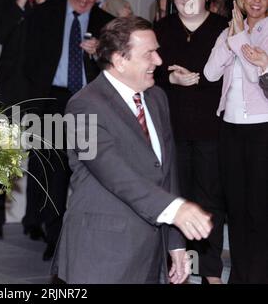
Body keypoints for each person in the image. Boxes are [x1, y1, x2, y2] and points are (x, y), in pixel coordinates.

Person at [51, 16, 213, 284]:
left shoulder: (157, 97)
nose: (159, 60)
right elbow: (113, 172)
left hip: (149, 254)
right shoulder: (82, 106)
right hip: (100, 253)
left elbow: (167, 172)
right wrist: (177, 211)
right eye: (149, 53)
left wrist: (176, 243)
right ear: (119, 60)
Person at [23, 0, 113, 261]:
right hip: (52, 98)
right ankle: (55, 236)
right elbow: (29, 58)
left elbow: (117, 66)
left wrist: (100, 53)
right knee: (52, 169)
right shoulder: (45, 14)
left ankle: (87, 234)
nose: (84, 1)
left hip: (89, 102)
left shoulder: (106, 22)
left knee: (87, 169)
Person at [154, 0, 228, 284]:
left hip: (212, 129)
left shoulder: (222, 28)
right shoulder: (162, 28)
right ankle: (176, 266)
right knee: (174, 198)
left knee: (211, 200)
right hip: (172, 128)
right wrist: (170, 78)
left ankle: (210, 271)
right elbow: (148, 70)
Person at [0, 0, 67, 240]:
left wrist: (41, 7)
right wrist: (20, 3)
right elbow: (0, 34)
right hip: (9, 85)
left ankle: (35, 219)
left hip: (45, 87)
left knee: (42, 159)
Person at [204, 0, 268, 283]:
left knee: (258, 210)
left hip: (261, 128)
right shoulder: (230, 31)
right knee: (237, 210)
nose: (257, 0)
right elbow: (210, 73)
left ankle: (256, 275)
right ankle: (241, 276)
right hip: (229, 127)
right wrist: (230, 39)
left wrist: (239, 37)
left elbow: (258, 75)